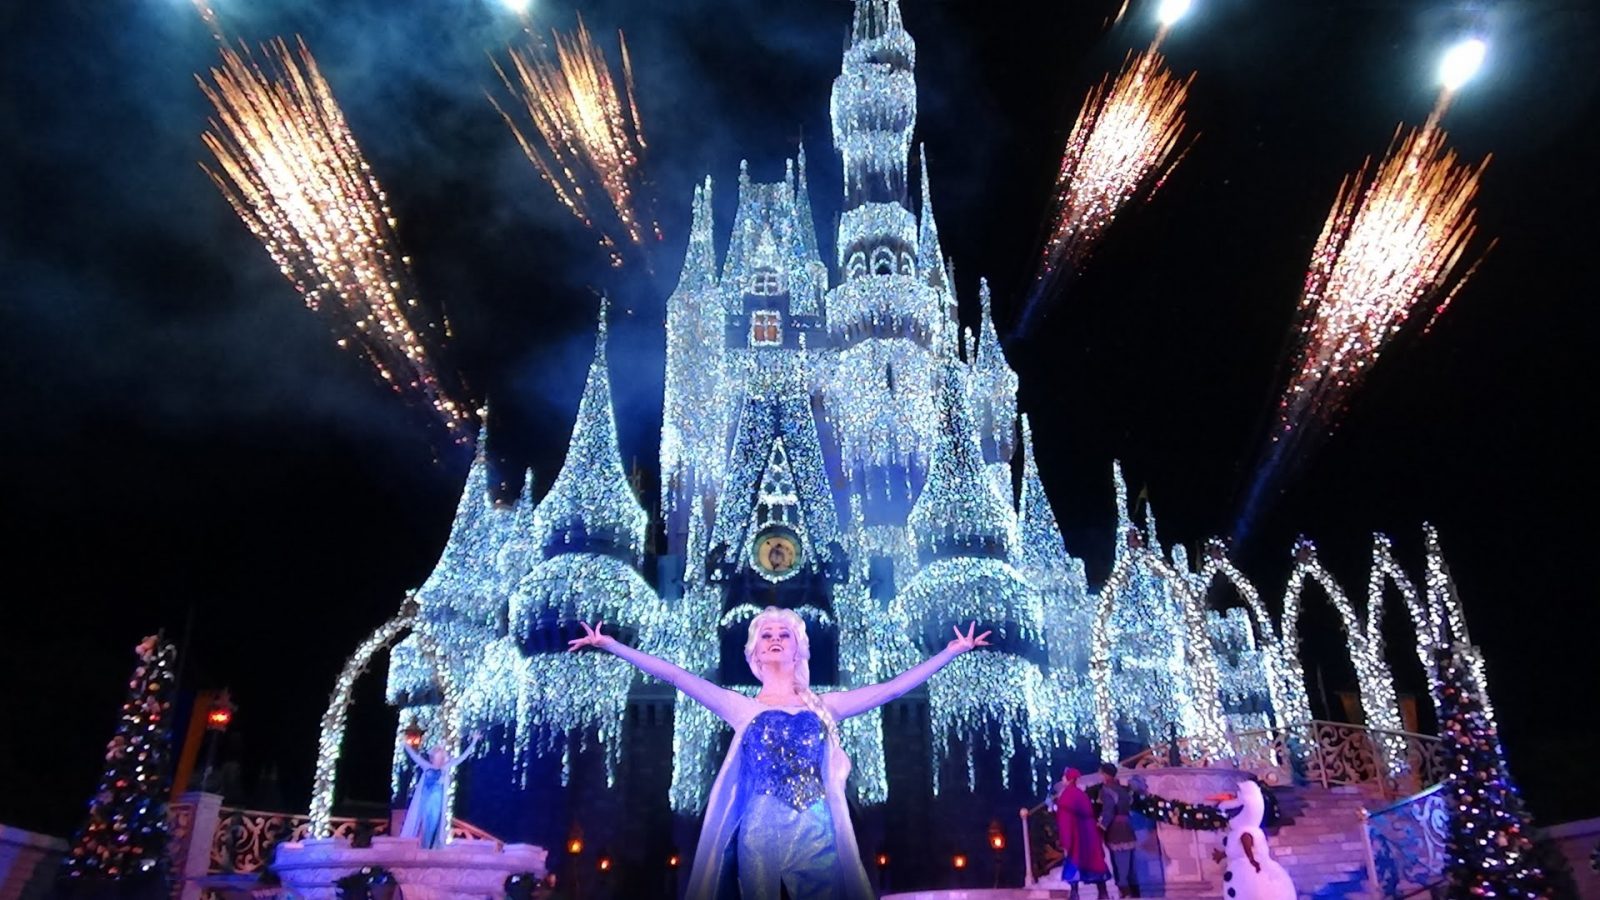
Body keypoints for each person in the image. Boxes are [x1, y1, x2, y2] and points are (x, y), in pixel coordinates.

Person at [568, 608, 991, 899]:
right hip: (761, 827)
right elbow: (676, 675)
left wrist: (950, 653)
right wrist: (611, 646)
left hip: (816, 825)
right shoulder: (741, 708)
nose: (773, 640)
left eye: (782, 634)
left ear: (797, 649)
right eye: (765, 635)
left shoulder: (827, 706)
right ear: (754, 652)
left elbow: (892, 689)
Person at [400, 731, 481, 849]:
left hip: (437, 803)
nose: (439, 761)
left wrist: (473, 741)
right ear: (432, 758)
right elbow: (414, 756)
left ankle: (428, 848)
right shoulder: (426, 766)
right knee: (424, 825)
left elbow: (462, 757)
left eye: (441, 758)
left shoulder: (446, 768)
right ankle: (423, 848)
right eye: (437, 758)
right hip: (425, 802)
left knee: (433, 825)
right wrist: (405, 743)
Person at [1056, 768, 1111, 899]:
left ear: (1069, 779)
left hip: (1076, 834)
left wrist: (1066, 838)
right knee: (1094, 860)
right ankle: (1103, 892)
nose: (1062, 779)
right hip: (1089, 832)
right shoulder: (1081, 794)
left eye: (1064, 777)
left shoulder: (1066, 796)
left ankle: (1074, 893)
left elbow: (1065, 820)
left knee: (1075, 861)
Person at [1097, 763, 1139, 897]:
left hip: (1116, 829)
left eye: (1102, 773)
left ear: (1106, 774)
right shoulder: (1123, 789)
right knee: (1129, 862)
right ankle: (1133, 891)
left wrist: (1101, 826)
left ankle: (1124, 890)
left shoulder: (1107, 790)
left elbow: (1108, 810)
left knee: (1120, 862)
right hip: (1127, 826)